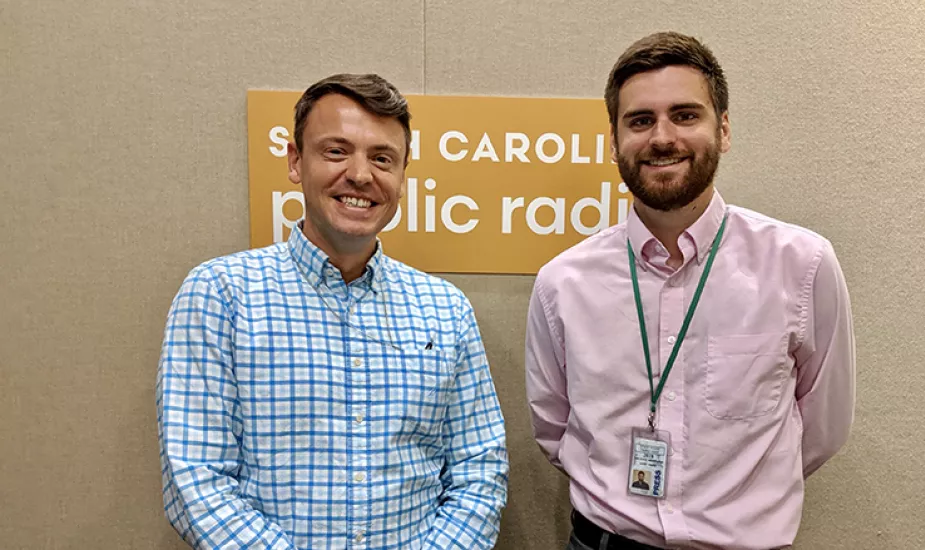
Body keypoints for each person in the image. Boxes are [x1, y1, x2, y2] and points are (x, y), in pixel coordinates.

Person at [525, 32, 855, 550]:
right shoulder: (563, 283)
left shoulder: (802, 265)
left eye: (685, 115)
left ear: (722, 129)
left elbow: (823, 427)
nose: (662, 137)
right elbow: (553, 426)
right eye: (640, 120)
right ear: (613, 142)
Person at [157, 73, 508, 550]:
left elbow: (479, 470)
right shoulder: (221, 295)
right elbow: (195, 478)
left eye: (382, 158)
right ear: (295, 161)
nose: (361, 175)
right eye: (336, 151)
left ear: (403, 175)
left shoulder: (445, 309)